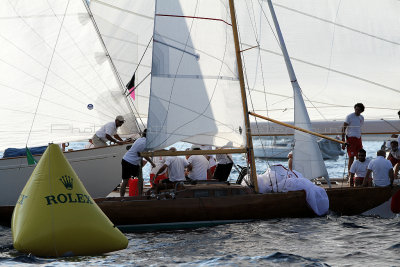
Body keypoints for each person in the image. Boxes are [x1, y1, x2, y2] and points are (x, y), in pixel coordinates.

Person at [120, 129, 155, 197]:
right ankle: (140, 195)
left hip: (125, 159)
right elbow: (144, 155)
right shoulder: (146, 143)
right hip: (131, 162)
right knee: (140, 179)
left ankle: (121, 197)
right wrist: (152, 163)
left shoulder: (139, 139)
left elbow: (140, 153)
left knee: (125, 181)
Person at [341, 103, 365, 173]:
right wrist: (343, 141)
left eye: (358, 110)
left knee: (359, 157)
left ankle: (358, 173)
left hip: (358, 138)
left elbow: (359, 127)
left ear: (361, 111)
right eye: (356, 109)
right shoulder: (349, 116)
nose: (356, 111)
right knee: (351, 157)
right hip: (351, 139)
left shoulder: (361, 117)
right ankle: (350, 174)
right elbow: (343, 128)